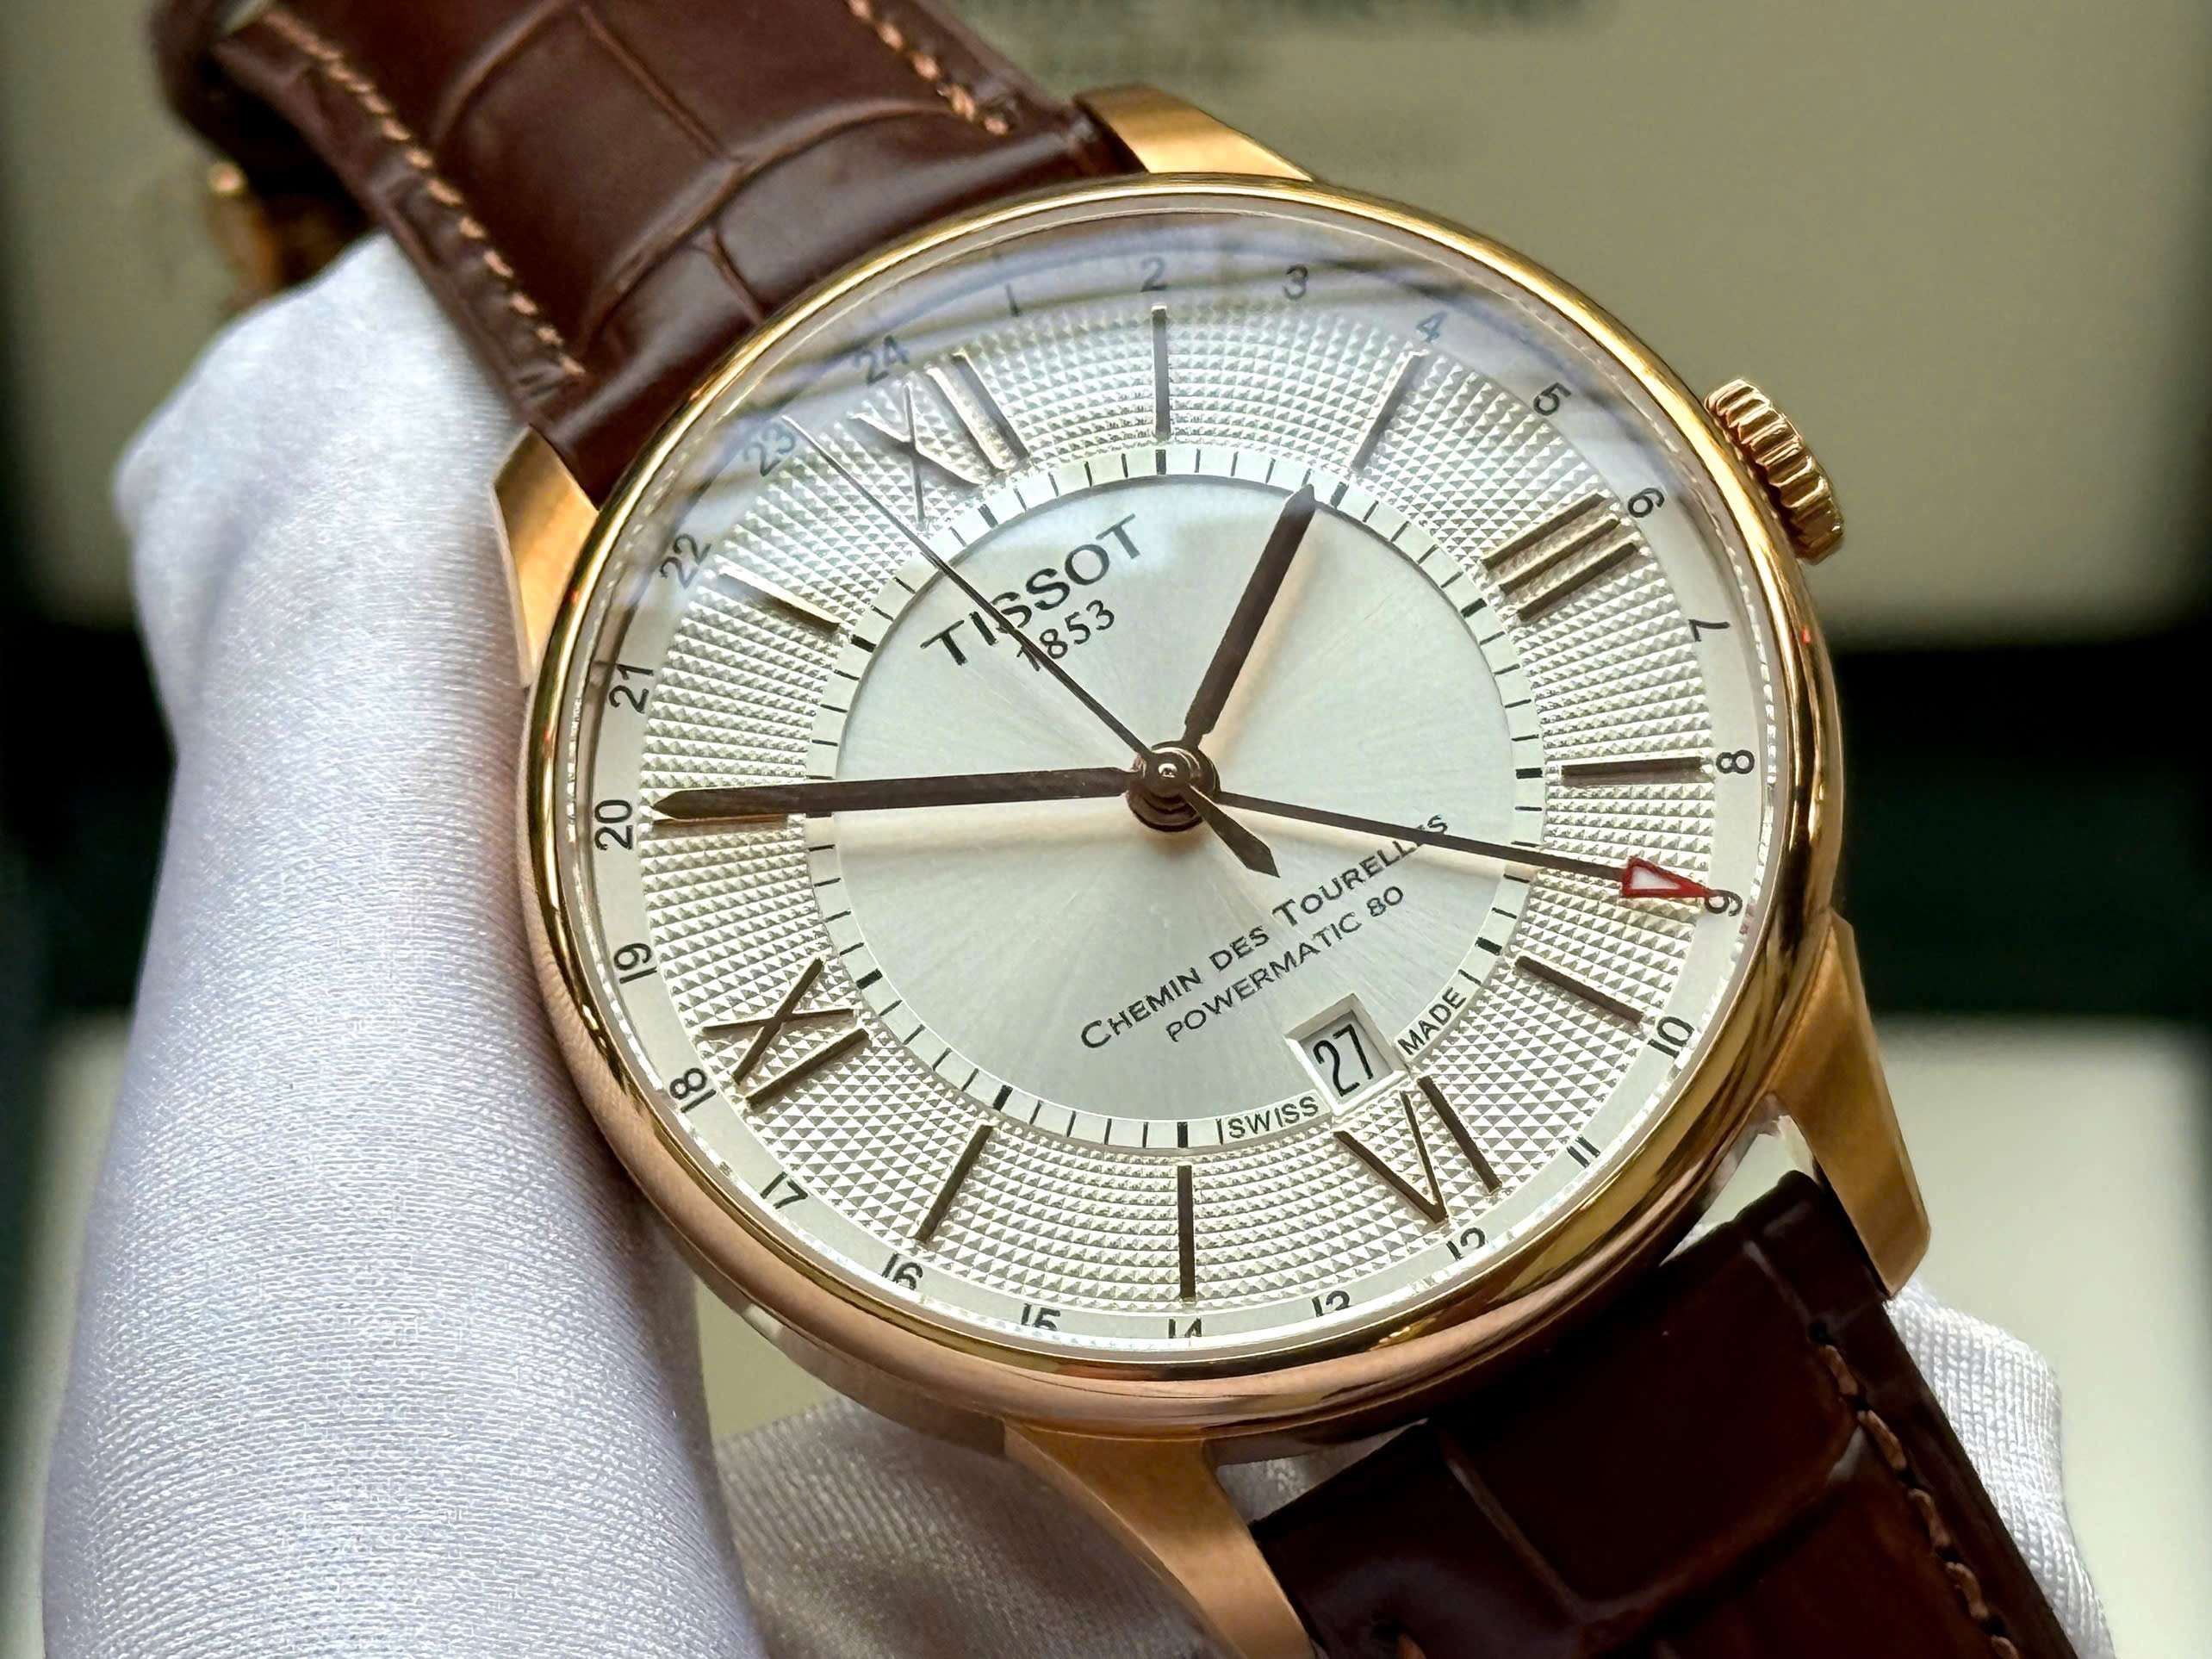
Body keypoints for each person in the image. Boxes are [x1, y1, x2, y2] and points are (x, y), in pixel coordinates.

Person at [43, 238, 2115, 1658]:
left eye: (1182, 766)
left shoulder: (1192, 232)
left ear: (1742, 480)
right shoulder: (575, 621)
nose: (1170, 781)